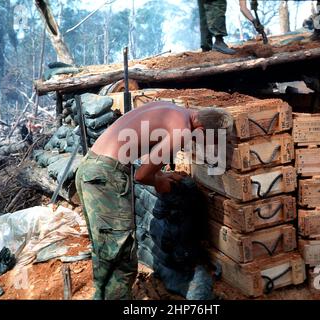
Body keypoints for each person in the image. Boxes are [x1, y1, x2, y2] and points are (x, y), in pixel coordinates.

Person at [75, 101, 233, 300]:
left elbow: (145, 158)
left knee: (106, 249)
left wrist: (160, 175)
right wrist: (161, 183)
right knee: (122, 256)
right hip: (105, 177)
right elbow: (141, 176)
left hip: (90, 168)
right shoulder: (181, 130)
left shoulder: (175, 110)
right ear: (201, 129)